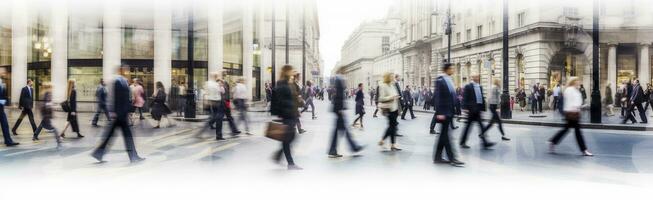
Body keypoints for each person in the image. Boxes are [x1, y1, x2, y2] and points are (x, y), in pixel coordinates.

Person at [92, 65, 145, 163]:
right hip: (119, 114)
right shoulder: (117, 81)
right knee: (126, 135)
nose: (127, 72)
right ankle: (133, 156)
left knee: (111, 136)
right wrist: (114, 112)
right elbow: (114, 98)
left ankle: (98, 153)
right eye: (126, 70)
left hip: (121, 114)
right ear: (121, 70)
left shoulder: (123, 81)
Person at [548, 77, 593, 156]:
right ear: (573, 82)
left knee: (566, 130)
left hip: (575, 113)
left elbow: (577, 102)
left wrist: (580, 106)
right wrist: (579, 106)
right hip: (571, 113)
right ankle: (584, 150)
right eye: (577, 81)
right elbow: (569, 103)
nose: (578, 82)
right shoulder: (569, 90)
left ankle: (553, 142)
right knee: (577, 132)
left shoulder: (576, 90)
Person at [270, 65, 302, 170]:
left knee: (289, 137)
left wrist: (297, 105)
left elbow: (293, 97)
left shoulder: (290, 83)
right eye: (291, 70)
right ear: (287, 71)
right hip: (287, 114)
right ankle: (290, 163)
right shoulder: (282, 84)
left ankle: (279, 156)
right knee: (289, 137)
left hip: (292, 113)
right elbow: (280, 100)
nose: (293, 72)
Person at [433, 63, 464, 167]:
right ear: (446, 69)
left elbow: (452, 96)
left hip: (449, 112)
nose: (453, 70)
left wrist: (457, 110)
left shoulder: (449, 80)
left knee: (443, 135)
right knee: (446, 136)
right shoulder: (440, 80)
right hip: (443, 112)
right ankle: (453, 158)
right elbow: (437, 98)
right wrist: (439, 113)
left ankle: (437, 157)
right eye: (451, 69)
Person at [329, 77, 364, 158]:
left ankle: (335, 149)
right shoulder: (339, 84)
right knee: (343, 131)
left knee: (341, 131)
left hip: (338, 111)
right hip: (339, 112)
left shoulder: (338, 84)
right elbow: (339, 99)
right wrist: (340, 110)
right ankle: (353, 147)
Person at [459, 74, 494, 149]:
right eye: (475, 77)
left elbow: (481, 98)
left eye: (478, 77)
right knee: (468, 127)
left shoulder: (480, 86)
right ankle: (462, 142)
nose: (477, 78)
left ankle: (485, 142)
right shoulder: (468, 86)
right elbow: (465, 98)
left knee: (481, 127)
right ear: (472, 78)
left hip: (477, 110)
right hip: (471, 110)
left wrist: (483, 109)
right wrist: (465, 108)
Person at [32, 82, 62, 148]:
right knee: (53, 128)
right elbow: (47, 104)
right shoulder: (48, 94)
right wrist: (51, 112)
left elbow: (43, 104)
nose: (52, 89)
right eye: (51, 87)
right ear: (49, 87)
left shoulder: (43, 93)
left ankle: (35, 136)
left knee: (42, 125)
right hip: (46, 114)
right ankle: (59, 140)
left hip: (44, 113)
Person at [377, 73, 402, 151]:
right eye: (391, 77)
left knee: (392, 127)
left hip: (394, 108)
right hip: (389, 109)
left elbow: (395, 94)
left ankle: (388, 143)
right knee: (392, 127)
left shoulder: (392, 85)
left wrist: (396, 97)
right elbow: (381, 98)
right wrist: (392, 97)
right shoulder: (383, 86)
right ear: (388, 77)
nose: (393, 78)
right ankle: (389, 143)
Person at [0, 78, 18, 146]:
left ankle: (8, 141)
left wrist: (5, 101)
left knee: (5, 125)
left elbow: (3, 95)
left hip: (1, 110)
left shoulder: (1, 84)